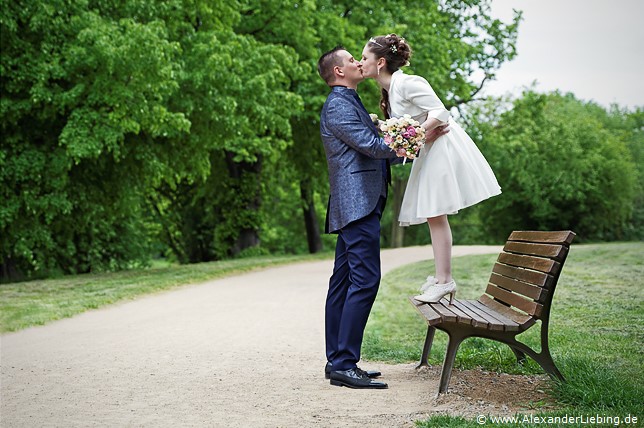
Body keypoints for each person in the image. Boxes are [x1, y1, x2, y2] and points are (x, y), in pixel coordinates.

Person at [317, 46, 447, 389]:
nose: (359, 63)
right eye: (351, 60)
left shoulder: (350, 102)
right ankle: (344, 363)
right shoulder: (338, 105)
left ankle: (338, 361)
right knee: (365, 280)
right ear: (339, 72)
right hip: (356, 204)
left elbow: (374, 140)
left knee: (343, 282)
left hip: (359, 203)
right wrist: (422, 136)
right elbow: (373, 147)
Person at [359, 34, 502, 304]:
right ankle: (441, 279)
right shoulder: (390, 91)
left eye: (364, 57)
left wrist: (417, 135)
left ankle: (445, 280)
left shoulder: (409, 83)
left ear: (379, 62)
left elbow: (440, 112)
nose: (361, 62)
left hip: (441, 148)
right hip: (428, 148)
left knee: (436, 213)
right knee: (433, 216)